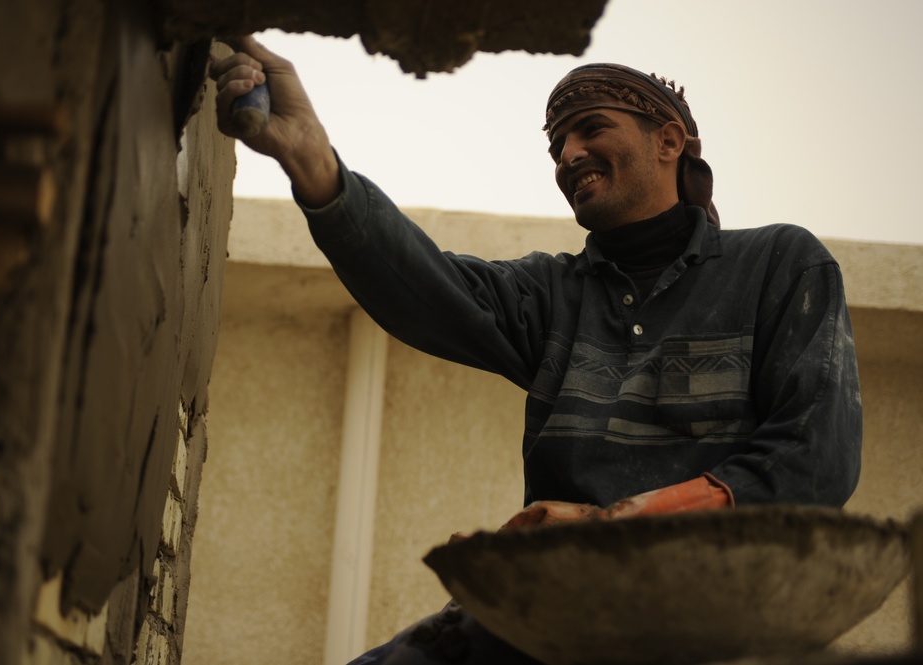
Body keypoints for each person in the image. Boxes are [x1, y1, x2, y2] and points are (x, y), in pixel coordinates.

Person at [210, 37, 862, 664]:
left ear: (668, 141)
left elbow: (813, 460)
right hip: (555, 617)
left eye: (590, 129)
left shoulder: (779, 265)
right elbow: (425, 285)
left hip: (721, 620)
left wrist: (617, 523)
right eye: (557, 144)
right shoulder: (551, 295)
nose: (568, 154)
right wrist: (308, 155)